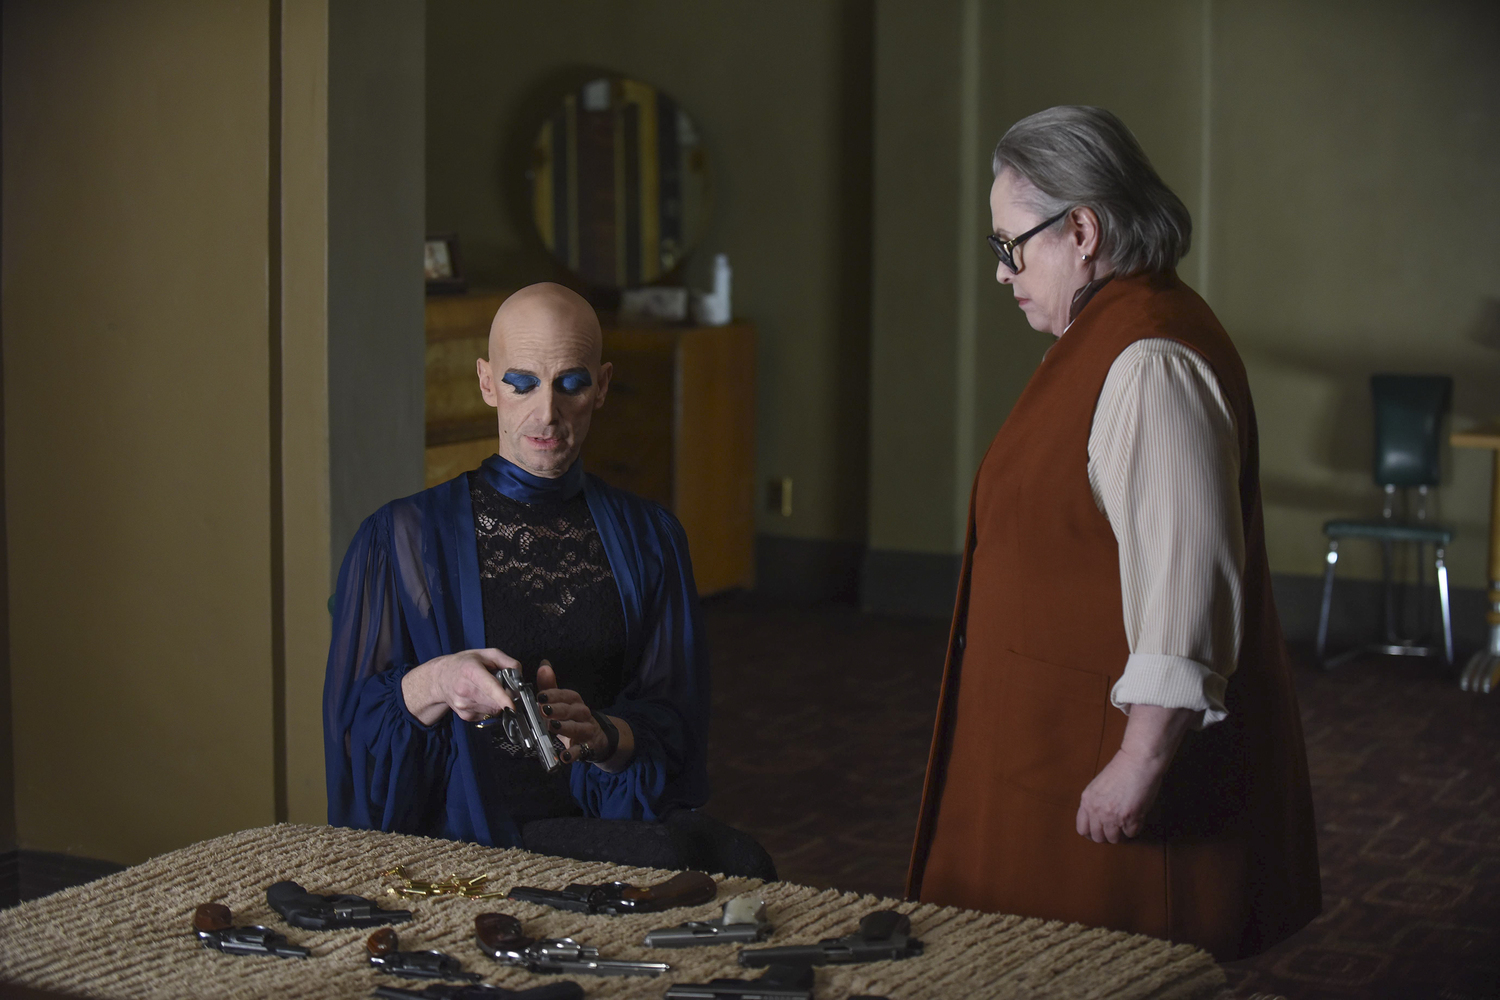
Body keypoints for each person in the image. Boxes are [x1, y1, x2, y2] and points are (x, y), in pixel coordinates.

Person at [906, 107, 1320, 960]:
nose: (1002, 271)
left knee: (1102, 973)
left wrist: (1139, 761)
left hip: (1099, 772)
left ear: (1082, 231)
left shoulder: (1149, 359)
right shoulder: (1108, 334)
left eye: (1010, 245)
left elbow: (1184, 579)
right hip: (1046, 748)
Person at [324, 282, 773, 879]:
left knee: (738, 860)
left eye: (571, 384)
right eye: (522, 383)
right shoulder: (400, 538)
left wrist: (605, 735)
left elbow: (675, 731)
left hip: (603, 820)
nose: (547, 414)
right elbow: (354, 736)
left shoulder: (651, 537)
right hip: (465, 839)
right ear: (487, 383)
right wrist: (439, 682)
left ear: (602, 386)